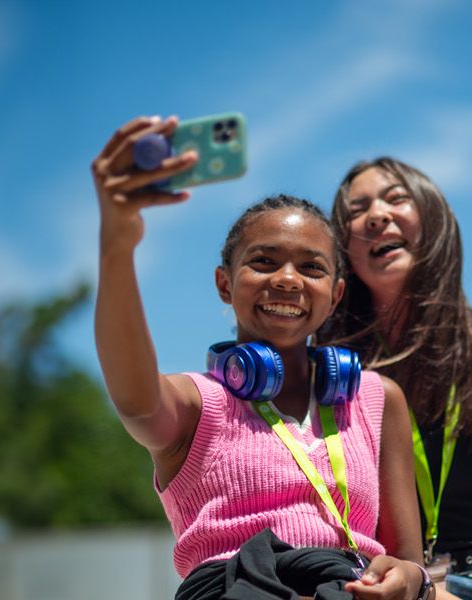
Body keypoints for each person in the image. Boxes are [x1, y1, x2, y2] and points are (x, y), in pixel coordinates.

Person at [92, 117, 429, 600]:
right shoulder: (195, 403)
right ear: (224, 284)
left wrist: (407, 579)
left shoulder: (378, 398)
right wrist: (117, 245)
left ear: (334, 296)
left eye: (311, 268)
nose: (288, 280)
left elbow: (406, 560)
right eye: (264, 261)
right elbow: (135, 401)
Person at [319, 158, 472, 600]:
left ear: (435, 222)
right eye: (357, 210)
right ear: (343, 251)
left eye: (396, 198)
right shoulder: (329, 368)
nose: (376, 215)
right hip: (386, 585)